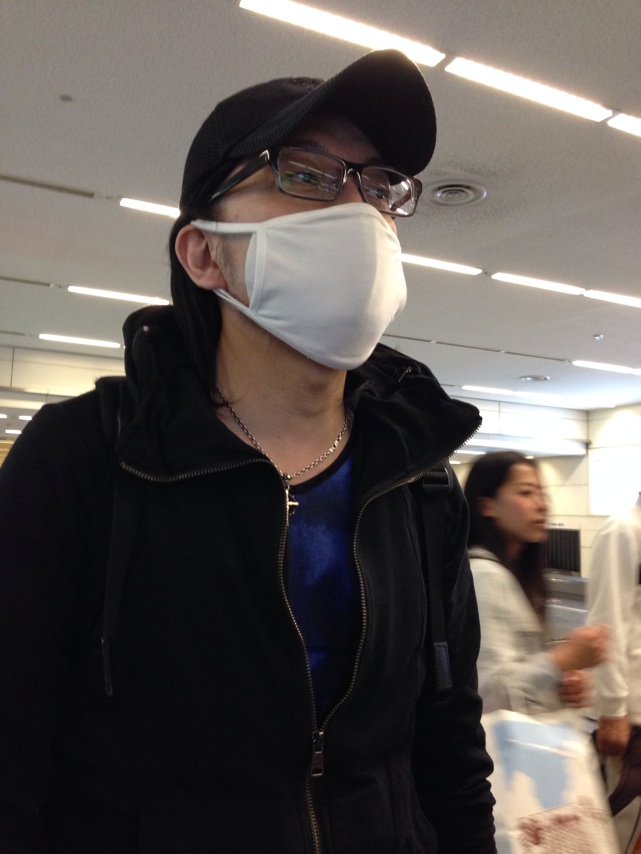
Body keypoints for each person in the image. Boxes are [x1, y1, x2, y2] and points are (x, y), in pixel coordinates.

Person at [0, 50, 496, 853]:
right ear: (204, 253)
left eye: (380, 186)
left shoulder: (417, 480)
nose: (360, 213)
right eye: (305, 174)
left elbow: (449, 745)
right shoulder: (85, 458)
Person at [463, 451, 608, 714]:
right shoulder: (485, 575)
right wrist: (562, 660)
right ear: (487, 506)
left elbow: (516, 673)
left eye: (541, 493)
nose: (542, 504)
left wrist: (559, 683)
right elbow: (486, 695)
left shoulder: (514, 574)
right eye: (526, 493)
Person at [586, 493, 641, 853]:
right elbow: (607, 622)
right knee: (617, 834)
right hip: (629, 719)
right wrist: (613, 709)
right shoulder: (623, 530)